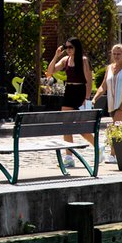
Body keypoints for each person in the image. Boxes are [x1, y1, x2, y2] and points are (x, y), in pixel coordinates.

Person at [47, 37, 94, 167]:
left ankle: (97, 146)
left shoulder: (83, 60)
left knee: (80, 127)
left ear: (76, 47)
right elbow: (50, 72)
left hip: (80, 92)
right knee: (66, 125)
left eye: (70, 47)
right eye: (66, 47)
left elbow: (89, 81)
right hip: (69, 91)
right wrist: (56, 56)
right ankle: (69, 157)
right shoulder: (65, 60)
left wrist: (87, 98)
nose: (68, 50)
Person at [94, 43, 122, 163]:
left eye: (119, 54)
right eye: (114, 54)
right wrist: (95, 98)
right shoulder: (109, 68)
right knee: (120, 129)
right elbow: (103, 86)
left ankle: (113, 155)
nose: (116, 56)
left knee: (115, 127)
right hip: (112, 103)